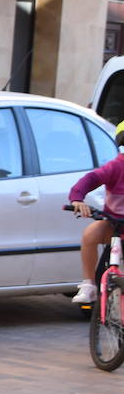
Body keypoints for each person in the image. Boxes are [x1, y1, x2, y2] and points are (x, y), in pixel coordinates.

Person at [69, 119, 124, 300]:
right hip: (114, 225)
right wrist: (77, 199)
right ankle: (89, 285)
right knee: (90, 234)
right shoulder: (117, 166)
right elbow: (91, 179)